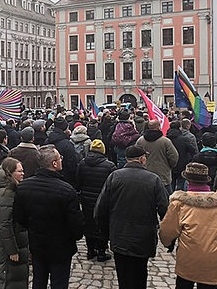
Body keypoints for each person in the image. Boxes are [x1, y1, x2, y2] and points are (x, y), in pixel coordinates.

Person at [94, 145, 169, 289]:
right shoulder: (154, 179)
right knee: (140, 274)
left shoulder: (114, 177)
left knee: (123, 275)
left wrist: (105, 232)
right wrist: (167, 237)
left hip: (119, 234)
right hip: (143, 237)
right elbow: (164, 209)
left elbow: (100, 208)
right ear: (141, 159)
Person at [13, 145, 84, 289]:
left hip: (38, 243)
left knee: (39, 280)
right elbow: (75, 223)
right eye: (60, 158)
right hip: (61, 246)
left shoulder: (24, 187)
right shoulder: (67, 190)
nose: (62, 160)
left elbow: (20, 217)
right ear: (54, 163)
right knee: (59, 282)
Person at [159, 162, 217, 289]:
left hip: (188, 259)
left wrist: (168, 243)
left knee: (184, 284)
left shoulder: (179, 204)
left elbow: (167, 231)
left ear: (187, 180)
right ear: (206, 181)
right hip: (215, 260)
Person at [0, 157, 29, 289]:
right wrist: (12, 250)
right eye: (19, 171)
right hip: (6, 249)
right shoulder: (7, 193)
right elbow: (4, 224)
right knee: (5, 279)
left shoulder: (10, 190)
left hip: (7, 245)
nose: (23, 174)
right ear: (10, 173)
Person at [76, 139, 116, 262]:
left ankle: (90, 250)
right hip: (103, 200)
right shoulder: (109, 166)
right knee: (102, 225)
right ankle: (101, 251)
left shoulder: (82, 163)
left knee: (89, 224)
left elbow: (78, 182)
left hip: (87, 199)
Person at [136, 120, 179, 194]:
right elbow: (174, 156)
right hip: (163, 174)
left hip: (144, 174)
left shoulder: (140, 141)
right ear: (159, 127)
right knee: (166, 198)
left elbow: (135, 155)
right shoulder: (165, 141)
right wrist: (170, 166)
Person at [46, 117, 80, 189]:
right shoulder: (67, 144)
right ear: (65, 129)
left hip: (48, 178)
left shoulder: (47, 140)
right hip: (64, 179)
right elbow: (72, 164)